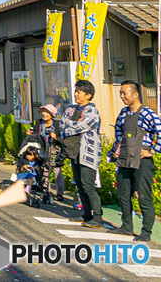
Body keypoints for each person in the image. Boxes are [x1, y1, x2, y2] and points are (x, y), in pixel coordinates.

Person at [109, 80, 161, 241]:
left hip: (141, 160)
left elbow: (159, 131)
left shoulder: (147, 113)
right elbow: (118, 130)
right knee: (123, 194)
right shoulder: (124, 113)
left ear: (135, 94)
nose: (122, 96)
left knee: (144, 196)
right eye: (120, 93)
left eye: (125, 93)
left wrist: (152, 151)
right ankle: (126, 226)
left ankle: (146, 232)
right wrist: (117, 149)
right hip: (124, 157)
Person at [59, 79, 105, 228]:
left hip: (88, 153)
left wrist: (70, 124)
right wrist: (73, 124)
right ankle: (86, 214)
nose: (76, 94)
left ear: (88, 95)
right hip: (74, 151)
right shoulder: (71, 109)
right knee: (79, 183)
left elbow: (84, 126)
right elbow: (61, 124)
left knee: (87, 184)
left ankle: (97, 217)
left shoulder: (92, 111)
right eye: (76, 91)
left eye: (79, 91)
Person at [31, 104, 64, 203]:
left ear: (52, 114)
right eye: (43, 112)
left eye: (47, 112)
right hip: (42, 150)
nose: (44, 114)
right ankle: (47, 192)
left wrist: (56, 138)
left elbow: (63, 140)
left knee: (57, 172)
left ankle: (60, 193)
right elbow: (34, 133)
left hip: (55, 152)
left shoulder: (57, 125)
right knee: (45, 171)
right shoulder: (39, 123)